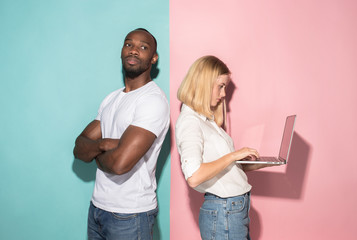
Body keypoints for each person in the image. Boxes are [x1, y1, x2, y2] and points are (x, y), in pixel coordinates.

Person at [73, 28, 170, 240]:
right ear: (121, 51)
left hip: (130, 214)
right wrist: (104, 144)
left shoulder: (152, 101)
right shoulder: (111, 99)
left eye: (143, 47)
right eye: (129, 44)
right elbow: (79, 148)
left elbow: (119, 164)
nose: (134, 50)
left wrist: (96, 150)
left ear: (153, 58)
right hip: (97, 208)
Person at [175, 55, 271, 240]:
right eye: (221, 86)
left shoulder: (206, 120)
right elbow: (194, 177)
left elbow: (222, 169)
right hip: (224, 212)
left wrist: (261, 163)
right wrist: (233, 156)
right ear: (203, 83)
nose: (224, 94)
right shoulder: (190, 122)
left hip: (232, 210)